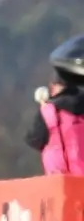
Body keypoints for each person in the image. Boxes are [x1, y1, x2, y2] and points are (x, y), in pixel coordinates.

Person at [26, 34, 84, 174]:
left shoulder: (48, 112)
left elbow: (35, 140)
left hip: (61, 183)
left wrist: (43, 106)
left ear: (54, 86)